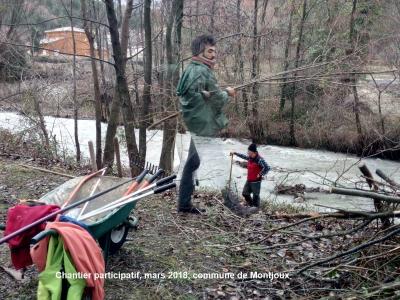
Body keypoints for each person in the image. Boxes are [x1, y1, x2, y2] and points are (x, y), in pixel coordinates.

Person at [176, 34, 236, 214]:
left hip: (195, 122)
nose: (213, 55)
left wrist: (208, 94)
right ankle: (233, 205)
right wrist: (228, 93)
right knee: (219, 163)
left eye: (214, 51)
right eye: (210, 51)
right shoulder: (203, 71)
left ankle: (184, 204)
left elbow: (190, 95)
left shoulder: (189, 69)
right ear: (200, 52)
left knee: (192, 162)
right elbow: (217, 99)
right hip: (204, 124)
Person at [230, 143, 270, 208]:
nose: (248, 153)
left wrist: (260, 174)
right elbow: (243, 156)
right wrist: (235, 153)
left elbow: (267, 167)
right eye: (248, 152)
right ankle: (251, 205)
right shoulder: (250, 158)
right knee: (245, 193)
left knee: (255, 197)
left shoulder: (259, 160)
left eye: (250, 152)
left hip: (256, 182)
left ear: (254, 152)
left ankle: (256, 209)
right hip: (249, 180)